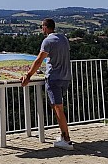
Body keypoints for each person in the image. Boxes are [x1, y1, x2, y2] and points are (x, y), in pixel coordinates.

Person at [21, 18, 73, 150]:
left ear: (45, 27)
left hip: (54, 78)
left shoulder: (47, 41)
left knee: (57, 108)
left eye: (42, 27)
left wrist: (28, 76)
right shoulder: (64, 39)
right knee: (59, 107)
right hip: (65, 77)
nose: (41, 30)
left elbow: (39, 60)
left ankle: (66, 140)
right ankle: (63, 136)